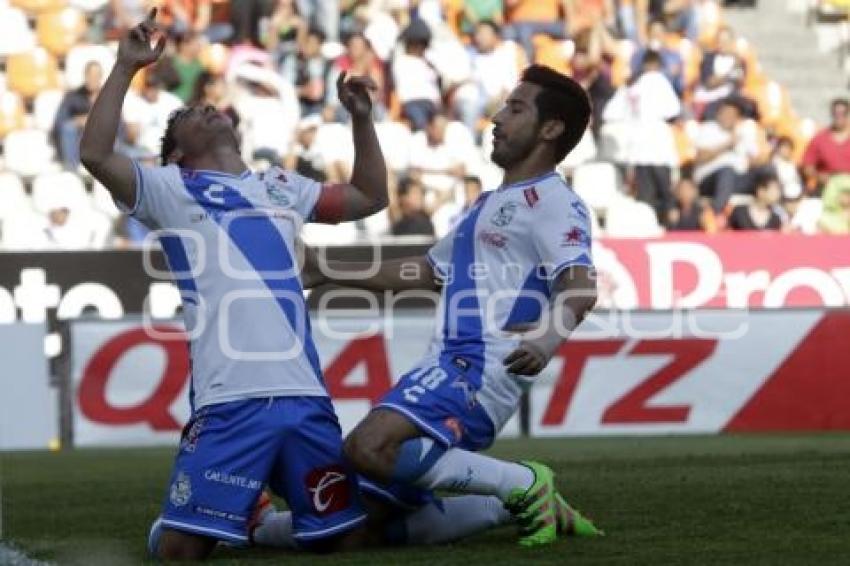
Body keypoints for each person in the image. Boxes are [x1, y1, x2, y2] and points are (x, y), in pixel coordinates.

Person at [79, 10, 389, 560]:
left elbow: (368, 197)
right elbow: (97, 154)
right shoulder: (170, 189)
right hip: (230, 400)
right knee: (179, 553)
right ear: (175, 154)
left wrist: (362, 120)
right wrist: (126, 67)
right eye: (187, 113)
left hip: (305, 395)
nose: (204, 106)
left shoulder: (281, 184)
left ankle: (255, 521)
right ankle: (221, 513)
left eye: (205, 105)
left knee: (347, 540)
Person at [306, 64, 603, 548]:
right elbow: (424, 271)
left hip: (476, 364)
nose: (497, 119)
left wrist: (548, 336)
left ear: (551, 129)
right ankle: (502, 504)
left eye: (515, 108)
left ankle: (525, 484)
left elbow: (581, 284)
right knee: (354, 528)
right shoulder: (490, 203)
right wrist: (330, 270)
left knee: (368, 445)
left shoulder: (554, 202)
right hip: (448, 363)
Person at [603, 49, 681, 223]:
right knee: (665, 193)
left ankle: (648, 227)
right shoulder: (660, 81)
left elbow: (610, 113)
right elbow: (673, 110)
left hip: (638, 147)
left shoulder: (631, 86)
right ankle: (668, 226)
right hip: (659, 145)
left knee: (646, 196)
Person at [692, 97, 760, 214]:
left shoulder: (744, 132)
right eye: (724, 113)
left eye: (731, 115)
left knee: (766, 173)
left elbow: (756, 160)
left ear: (738, 118)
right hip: (710, 179)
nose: (726, 117)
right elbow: (700, 157)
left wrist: (750, 159)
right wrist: (726, 145)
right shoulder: (708, 129)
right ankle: (715, 214)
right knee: (727, 171)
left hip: (738, 178)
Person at [52, 61, 104, 171]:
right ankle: (71, 170)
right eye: (89, 75)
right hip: (78, 142)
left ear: (100, 78)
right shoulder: (73, 96)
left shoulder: (108, 97)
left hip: (103, 142)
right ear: (85, 76)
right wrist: (77, 121)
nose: (92, 79)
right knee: (68, 128)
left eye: (96, 76)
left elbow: (119, 126)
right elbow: (59, 122)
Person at [801, 99, 850, 195]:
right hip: (827, 190)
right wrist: (819, 176)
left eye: (842, 113)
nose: (839, 117)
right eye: (835, 113)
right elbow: (807, 167)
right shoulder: (819, 139)